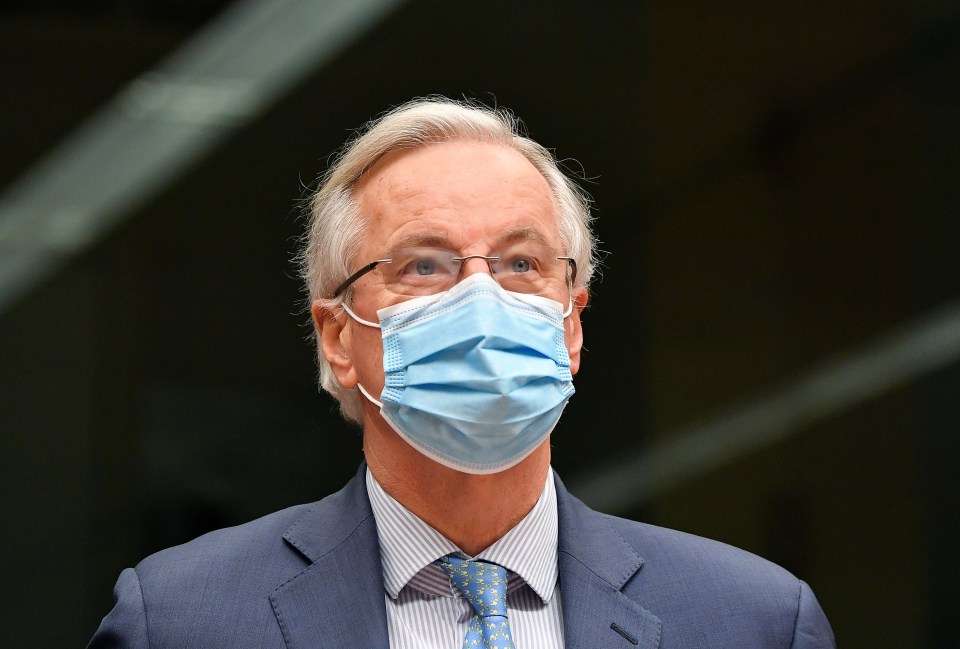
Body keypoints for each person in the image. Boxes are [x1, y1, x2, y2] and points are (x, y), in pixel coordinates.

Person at [88, 97, 835, 648]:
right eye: (425, 264)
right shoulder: (182, 620)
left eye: (521, 263)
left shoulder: (754, 620)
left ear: (571, 322)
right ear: (339, 335)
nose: (482, 298)